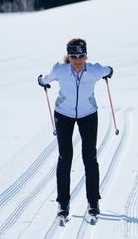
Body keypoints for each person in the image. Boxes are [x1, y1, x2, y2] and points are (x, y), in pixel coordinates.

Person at [37, 38, 113, 220]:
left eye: (81, 56)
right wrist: (41, 81)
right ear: (68, 57)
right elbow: (45, 79)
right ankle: (63, 203)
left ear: (86, 56)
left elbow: (108, 70)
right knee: (65, 157)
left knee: (90, 157)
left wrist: (109, 72)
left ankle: (93, 202)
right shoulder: (60, 70)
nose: (77, 60)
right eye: (73, 56)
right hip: (63, 114)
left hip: (88, 114)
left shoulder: (94, 70)